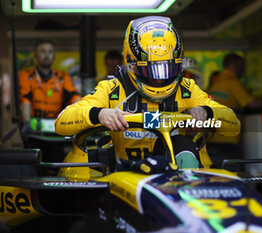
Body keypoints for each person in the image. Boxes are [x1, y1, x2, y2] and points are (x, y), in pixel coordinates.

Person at [55, 16, 240, 172]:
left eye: (167, 68)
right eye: (151, 70)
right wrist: (99, 114)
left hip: (176, 178)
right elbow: (62, 122)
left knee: (184, 145)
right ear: (132, 63)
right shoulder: (111, 89)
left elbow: (234, 124)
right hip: (125, 176)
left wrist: (207, 112)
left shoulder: (187, 88)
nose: (160, 79)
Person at [19, 39, 81, 127]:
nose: (47, 55)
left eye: (50, 52)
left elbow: (74, 96)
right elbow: (25, 99)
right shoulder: (26, 75)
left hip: (58, 124)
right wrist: (26, 123)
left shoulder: (63, 76)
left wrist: (80, 117)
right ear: (35, 55)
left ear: (54, 56)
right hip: (34, 125)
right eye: (43, 51)